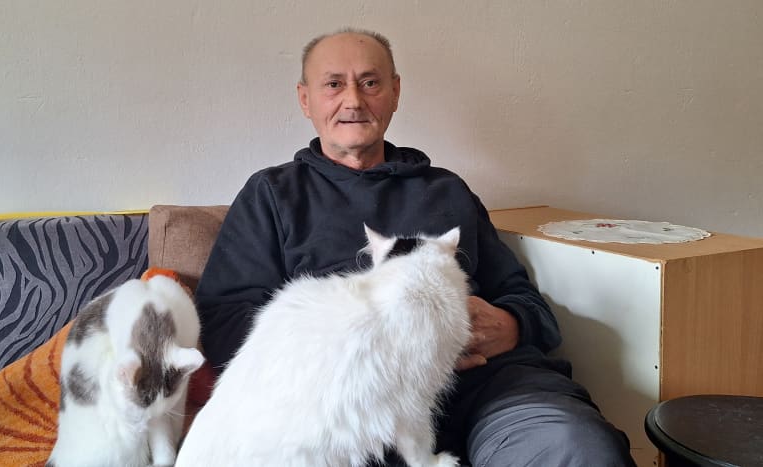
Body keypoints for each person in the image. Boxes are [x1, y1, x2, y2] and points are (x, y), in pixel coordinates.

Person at [194, 28, 636, 466]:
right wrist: (384, 351)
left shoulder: (447, 190)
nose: (353, 100)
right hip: (354, 407)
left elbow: (524, 299)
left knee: (576, 446)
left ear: (395, 92)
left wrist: (510, 325)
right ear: (305, 99)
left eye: (370, 82)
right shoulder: (272, 194)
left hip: (490, 389)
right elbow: (224, 322)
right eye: (334, 84)